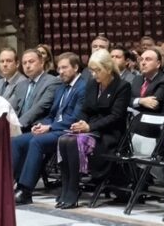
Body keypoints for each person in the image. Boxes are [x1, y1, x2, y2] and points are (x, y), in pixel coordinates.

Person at [55, 49, 130, 209]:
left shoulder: (123, 86)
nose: (94, 74)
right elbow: (86, 109)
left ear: (108, 69)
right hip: (91, 128)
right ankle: (66, 188)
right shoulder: (92, 83)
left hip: (109, 133)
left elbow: (116, 116)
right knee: (64, 140)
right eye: (92, 70)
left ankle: (73, 191)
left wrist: (90, 126)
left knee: (74, 143)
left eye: (98, 70)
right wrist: (80, 123)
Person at [12, 53, 86, 204]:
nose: (60, 71)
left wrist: (49, 127)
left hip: (69, 131)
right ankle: (9, 184)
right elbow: (52, 114)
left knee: (36, 143)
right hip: (54, 128)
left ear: (76, 67)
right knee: (17, 141)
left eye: (64, 68)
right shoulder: (61, 87)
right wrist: (41, 125)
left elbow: (76, 118)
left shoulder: (83, 87)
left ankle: (25, 190)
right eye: (59, 68)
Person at [12, 49, 61, 132]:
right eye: (24, 63)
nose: (27, 66)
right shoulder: (20, 85)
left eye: (31, 62)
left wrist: (17, 125)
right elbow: (13, 109)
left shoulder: (52, 82)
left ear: (42, 62)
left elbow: (40, 107)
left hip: (37, 127)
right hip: (18, 128)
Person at [129, 49, 164, 114]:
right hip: (134, 120)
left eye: (148, 59)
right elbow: (124, 99)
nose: (143, 63)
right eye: (141, 59)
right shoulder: (137, 79)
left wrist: (134, 102)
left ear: (158, 64)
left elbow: (154, 104)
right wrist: (140, 101)